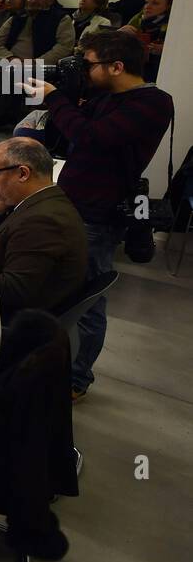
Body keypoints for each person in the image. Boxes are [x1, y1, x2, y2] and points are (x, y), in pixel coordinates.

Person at [31, 30, 173, 399]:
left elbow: (93, 138)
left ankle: (77, 379)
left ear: (117, 66)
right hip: (69, 201)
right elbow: (66, 135)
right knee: (52, 288)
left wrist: (56, 98)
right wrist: (68, 95)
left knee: (86, 298)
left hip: (97, 214)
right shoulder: (107, 96)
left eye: (89, 64)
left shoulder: (152, 103)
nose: (85, 70)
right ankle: (46, 362)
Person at [0, 138, 87, 320]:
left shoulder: (42, 221)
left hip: (12, 323)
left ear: (22, 173)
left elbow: (14, 289)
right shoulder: (45, 202)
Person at [0, 0, 75, 65]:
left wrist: (34, 63)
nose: (33, 1)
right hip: (11, 63)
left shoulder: (61, 18)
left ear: (51, 0)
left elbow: (64, 47)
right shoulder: (16, 18)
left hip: (40, 68)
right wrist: (10, 58)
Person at [119, 0, 172, 81]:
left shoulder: (174, 26)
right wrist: (119, 34)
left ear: (167, 7)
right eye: (146, 2)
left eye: (155, 3)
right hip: (133, 69)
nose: (148, 6)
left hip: (160, 73)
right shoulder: (138, 20)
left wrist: (167, 51)